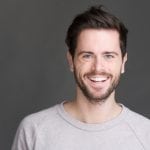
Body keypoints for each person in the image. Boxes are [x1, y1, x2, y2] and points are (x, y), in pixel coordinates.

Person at [12, 5, 150, 150]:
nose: (98, 68)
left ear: (123, 62)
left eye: (109, 56)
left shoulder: (146, 135)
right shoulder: (34, 131)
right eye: (87, 56)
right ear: (71, 61)